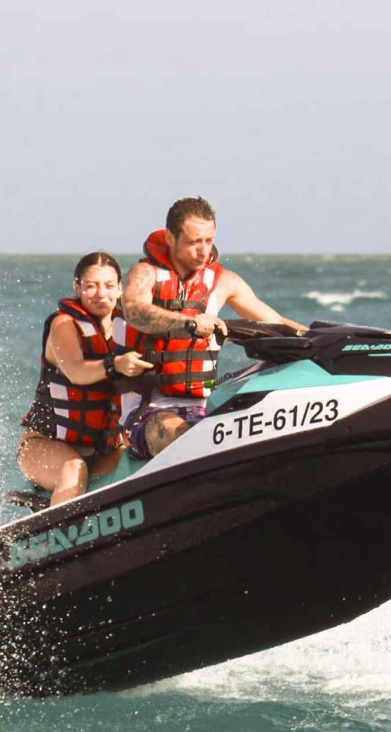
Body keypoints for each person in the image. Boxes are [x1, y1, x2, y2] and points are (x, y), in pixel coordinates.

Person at [118, 197, 304, 459]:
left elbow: (278, 322)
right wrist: (188, 322)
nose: (203, 251)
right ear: (170, 238)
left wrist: (340, 336)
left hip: (204, 408)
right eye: (194, 242)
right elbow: (135, 310)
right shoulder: (145, 273)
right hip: (148, 412)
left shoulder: (225, 281)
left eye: (209, 240)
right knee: (176, 434)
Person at [19, 252, 155, 505]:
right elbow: (76, 371)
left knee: (152, 458)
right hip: (45, 444)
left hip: (105, 449)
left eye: (109, 285)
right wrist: (115, 364)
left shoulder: (128, 327)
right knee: (74, 470)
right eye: (91, 286)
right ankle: (58, 529)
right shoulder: (63, 324)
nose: (101, 294)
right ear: (77, 287)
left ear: (120, 288)